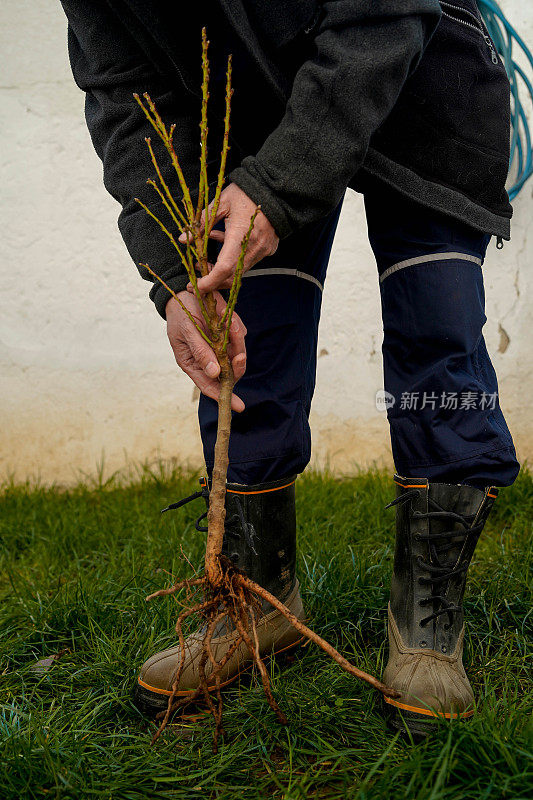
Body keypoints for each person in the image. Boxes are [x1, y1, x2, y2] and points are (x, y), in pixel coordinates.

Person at [59, 0, 519, 736]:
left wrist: (282, 189)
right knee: (245, 348)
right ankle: (257, 598)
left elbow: (385, 14)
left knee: (438, 333)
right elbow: (123, 92)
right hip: (251, 116)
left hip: (416, 74)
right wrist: (170, 273)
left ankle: (426, 621)